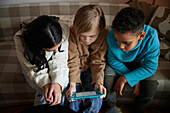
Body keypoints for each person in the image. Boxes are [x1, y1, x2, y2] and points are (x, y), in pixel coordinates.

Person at [104, 7, 160, 113]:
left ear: (141, 36)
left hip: (140, 62)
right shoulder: (111, 34)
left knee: (151, 85)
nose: (120, 46)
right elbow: (112, 61)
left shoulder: (152, 36)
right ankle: (110, 107)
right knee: (107, 80)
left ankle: (138, 108)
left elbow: (150, 67)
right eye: (117, 40)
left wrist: (125, 78)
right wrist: (133, 79)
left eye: (126, 43)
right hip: (118, 63)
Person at [14, 15, 69, 106]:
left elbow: (60, 59)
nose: (56, 51)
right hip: (33, 65)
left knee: (63, 83)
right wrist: (46, 85)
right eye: (50, 50)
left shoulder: (64, 30)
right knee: (45, 92)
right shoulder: (20, 39)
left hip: (57, 63)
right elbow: (32, 68)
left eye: (58, 47)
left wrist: (57, 83)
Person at [65, 5, 108, 113]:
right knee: (71, 101)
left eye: (92, 36)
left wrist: (98, 82)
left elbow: (98, 62)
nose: (87, 40)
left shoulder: (105, 34)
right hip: (75, 69)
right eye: (83, 36)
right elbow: (73, 61)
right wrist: (73, 84)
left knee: (95, 99)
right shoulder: (72, 33)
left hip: (92, 69)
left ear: (100, 30)